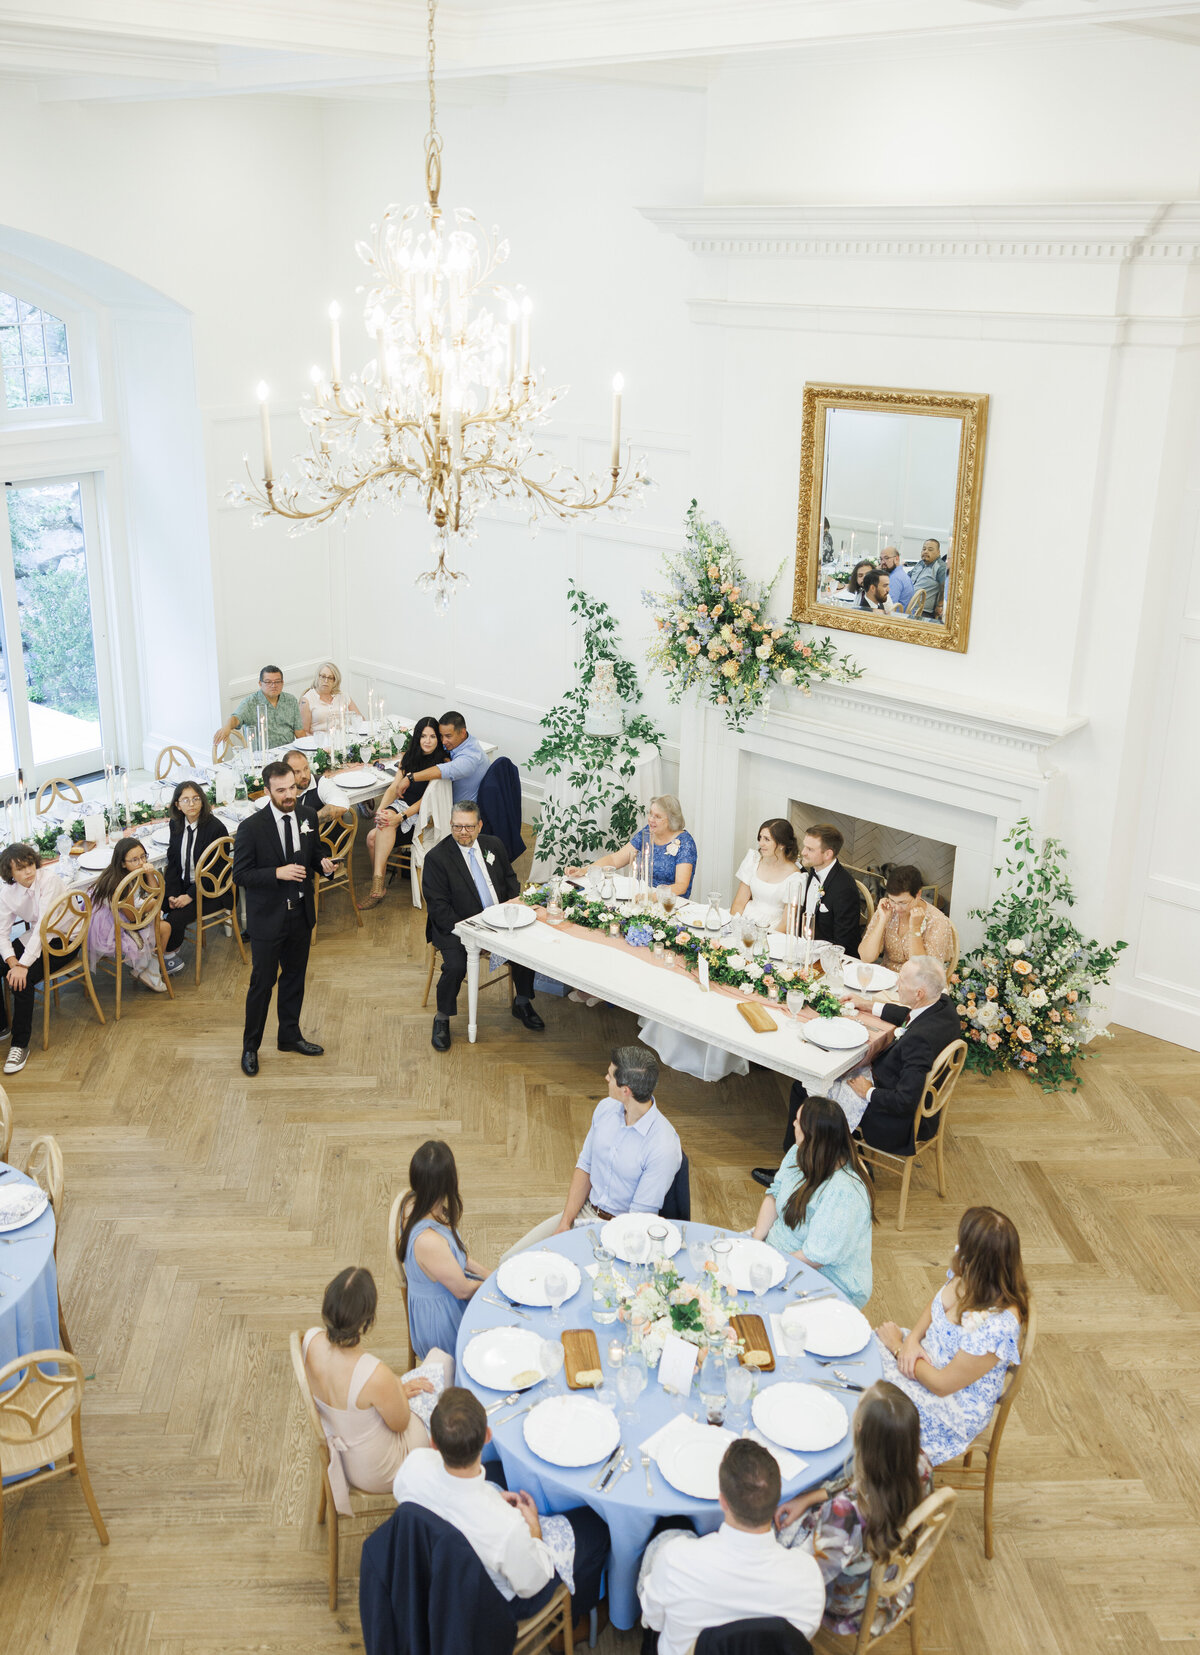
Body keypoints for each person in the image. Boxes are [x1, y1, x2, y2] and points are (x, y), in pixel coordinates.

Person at [393, 1387, 611, 1624]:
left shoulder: (413, 1465)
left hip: (428, 1569)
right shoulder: (507, 1529)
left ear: (433, 1443)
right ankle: (577, 1621)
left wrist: (491, 1498)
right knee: (596, 1527)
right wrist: (535, 1531)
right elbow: (533, 1583)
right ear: (488, 1436)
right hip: (491, 1604)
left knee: (496, 1471)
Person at [756, 956, 960, 1180]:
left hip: (897, 1119)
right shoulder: (943, 1006)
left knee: (805, 1090)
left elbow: (905, 1101)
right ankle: (850, 1152)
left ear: (919, 993)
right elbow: (910, 1016)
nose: (897, 984)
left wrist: (867, 1091)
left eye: (902, 981)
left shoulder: (920, 1041)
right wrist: (870, 1005)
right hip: (904, 1089)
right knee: (839, 1067)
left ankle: (793, 1173)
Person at [773, 1382, 932, 1637]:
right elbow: (857, 1486)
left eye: (858, 1405)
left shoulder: (844, 1516)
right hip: (889, 1574)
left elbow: (804, 1580)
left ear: (859, 1430)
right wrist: (809, 1498)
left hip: (847, 1604)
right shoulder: (920, 1464)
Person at [639, 1439, 825, 1655]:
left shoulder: (675, 1558)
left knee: (667, 1535)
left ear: (723, 1501)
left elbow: (655, 1620)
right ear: (777, 1500)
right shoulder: (808, 1577)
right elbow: (795, 1643)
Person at [874, 1206, 1028, 1464]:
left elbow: (942, 1385)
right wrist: (911, 1341)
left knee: (872, 1408)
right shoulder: (969, 1273)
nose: (958, 1246)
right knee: (860, 1356)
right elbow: (934, 1307)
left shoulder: (998, 1325)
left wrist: (898, 1348)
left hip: (951, 1404)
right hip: (924, 1356)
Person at [502, 1046, 681, 1257]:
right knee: (509, 1260)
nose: (606, 1077)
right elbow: (585, 1166)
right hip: (585, 1212)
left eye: (611, 1076)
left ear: (626, 1091)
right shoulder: (606, 1108)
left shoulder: (663, 1146)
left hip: (622, 1233)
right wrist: (565, 1223)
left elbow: (637, 1219)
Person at [301, 1266, 450, 1516]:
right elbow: (400, 1423)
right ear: (367, 1320)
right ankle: (446, 1478)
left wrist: (394, 1388)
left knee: (425, 1374)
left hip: (338, 1455)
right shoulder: (373, 1373)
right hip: (379, 1469)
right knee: (443, 1361)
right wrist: (396, 1391)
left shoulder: (309, 1340)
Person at [232, 759, 336, 1076]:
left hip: (301, 914)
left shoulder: (306, 816)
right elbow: (241, 875)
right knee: (261, 985)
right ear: (267, 791)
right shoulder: (251, 828)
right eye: (281, 791)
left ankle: (289, 1036)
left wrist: (323, 863)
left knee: (294, 980)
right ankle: (250, 1047)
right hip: (268, 920)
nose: (289, 795)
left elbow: (314, 851)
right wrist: (278, 873)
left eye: (292, 787)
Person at [421, 799, 542, 1052]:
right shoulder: (437, 858)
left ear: (479, 825)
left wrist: (512, 910)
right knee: (455, 965)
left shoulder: (493, 845)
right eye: (457, 827)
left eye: (468, 827)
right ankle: (442, 1017)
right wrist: (471, 931)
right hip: (456, 925)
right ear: (451, 825)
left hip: (499, 919)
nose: (462, 833)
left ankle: (522, 1002)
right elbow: (439, 908)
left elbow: (510, 879)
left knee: (528, 946)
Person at [750, 1095, 875, 1309]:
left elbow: (816, 1256)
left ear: (812, 1137)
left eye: (798, 1121)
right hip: (782, 1251)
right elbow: (774, 1194)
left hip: (826, 1276)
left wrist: (772, 1263)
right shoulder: (798, 1151)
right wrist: (756, 1241)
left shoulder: (845, 1193)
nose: (793, 1124)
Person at [396, 1140, 486, 1362]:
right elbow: (463, 1290)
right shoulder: (429, 1242)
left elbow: (459, 1259)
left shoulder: (413, 1203)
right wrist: (491, 1285)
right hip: (442, 1325)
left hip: (446, 1293)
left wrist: (491, 1274)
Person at [0, 843, 76, 1075]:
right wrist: (13, 962)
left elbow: (45, 926)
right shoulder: (6, 892)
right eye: (21, 869)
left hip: (64, 938)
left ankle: (20, 1044)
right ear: (9, 873)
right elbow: (2, 932)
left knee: (23, 981)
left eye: (30, 865)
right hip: (37, 937)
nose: (28, 872)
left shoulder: (49, 881)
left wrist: (23, 966)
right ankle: (3, 1025)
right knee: (6, 965)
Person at [360, 717, 450, 910]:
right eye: (423, 736)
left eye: (432, 736)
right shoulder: (409, 757)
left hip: (421, 816)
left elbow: (427, 800)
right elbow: (393, 788)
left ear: (438, 738)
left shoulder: (442, 762)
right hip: (400, 808)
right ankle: (379, 885)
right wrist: (381, 811)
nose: (427, 741)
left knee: (373, 837)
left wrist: (399, 817)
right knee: (375, 832)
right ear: (417, 737)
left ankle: (377, 887)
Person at [86, 836, 173, 994]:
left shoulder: (132, 874)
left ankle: (148, 968)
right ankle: (150, 970)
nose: (141, 862)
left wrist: (150, 873)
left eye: (143, 856)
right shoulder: (122, 884)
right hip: (114, 927)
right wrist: (151, 905)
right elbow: (132, 918)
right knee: (165, 927)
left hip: (126, 916)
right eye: (134, 859)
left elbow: (157, 892)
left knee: (160, 919)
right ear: (122, 863)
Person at [566, 796, 697, 899]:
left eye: (657, 817)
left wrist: (653, 897)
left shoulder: (685, 842)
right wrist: (585, 870)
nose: (651, 819)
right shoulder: (647, 832)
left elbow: (681, 886)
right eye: (650, 814)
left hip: (668, 903)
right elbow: (614, 859)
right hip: (640, 897)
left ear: (672, 820)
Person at [163, 780, 231, 961]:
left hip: (211, 891)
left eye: (196, 799)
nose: (191, 804)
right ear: (177, 805)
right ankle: (152, 953)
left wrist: (190, 895)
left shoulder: (215, 828)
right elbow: (173, 862)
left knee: (175, 919)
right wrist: (171, 893)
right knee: (155, 906)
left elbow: (217, 870)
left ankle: (168, 956)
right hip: (184, 886)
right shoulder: (175, 824)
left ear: (203, 800)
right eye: (185, 800)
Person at [856, 865, 955, 974]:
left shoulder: (937, 921)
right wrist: (882, 920)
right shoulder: (887, 909)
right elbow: (866, 957)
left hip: (918, 986)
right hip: (886, 980)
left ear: (918, 894)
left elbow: (924, 973)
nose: (897, 908)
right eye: (893, 900)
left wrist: (915, 930)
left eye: (903, 903)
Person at [730, 819, 805, 932]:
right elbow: (739, 904)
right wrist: (734, 928)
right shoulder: (754, 860)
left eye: (767, 839)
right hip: (744, 921)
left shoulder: (796, 878)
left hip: (773, 930)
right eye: (760, 838)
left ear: (782, 844)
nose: (761, 843)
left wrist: (765, 940)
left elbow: (786, 923)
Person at [798, 824, 862, 954]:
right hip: (805, 947)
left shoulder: (845, 889)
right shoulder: (814, 869)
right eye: (805, 846)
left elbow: (843, 942)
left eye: (810, 849)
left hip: (830, 957)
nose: (803, 852)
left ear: (828, 854)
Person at [403, 710, 489, 804]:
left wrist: (410, 778)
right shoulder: (461, 741)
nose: (443, 741)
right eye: (441, 736)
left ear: (462, 733)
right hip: (444, 803)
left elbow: (444, 770)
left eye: (448, 736)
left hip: (461, 812)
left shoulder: (471, 756)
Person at [212, 663, 304, 752]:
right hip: (261, 757)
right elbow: (236, 718)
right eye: (268, 682)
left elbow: (300, 733)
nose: (273, 685)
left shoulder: (290, 700)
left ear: (282, 683)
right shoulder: (250, 702)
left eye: (277, 682)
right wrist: (227, 727)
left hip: (288, 754)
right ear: (260, 683)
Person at [299, 661, 362, 737]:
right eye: (323, 676)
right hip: (322, 744)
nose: (326, 681)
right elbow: (303, 732)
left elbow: (360, 720)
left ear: (335, 681)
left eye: (330, 678)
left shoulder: (343, 696)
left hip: (347, 739)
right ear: (317, 677)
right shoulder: (306, 700)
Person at [909, 540, 947, 622]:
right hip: (908, 606)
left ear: (938, 552)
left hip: (923, 612)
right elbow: (908, 578)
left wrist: (939, 605)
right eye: (924, 549)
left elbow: (945, 586)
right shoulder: (920, 564)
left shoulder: (941, 567)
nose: (926, 551)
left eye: (930, 549)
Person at [879, 547, 914, 613]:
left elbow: (888, 607)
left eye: (886, 558)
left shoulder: (895, 578)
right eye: (881, 559)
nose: (882, 562)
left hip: (897, 617)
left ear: (897, 559)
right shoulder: (901, 574)